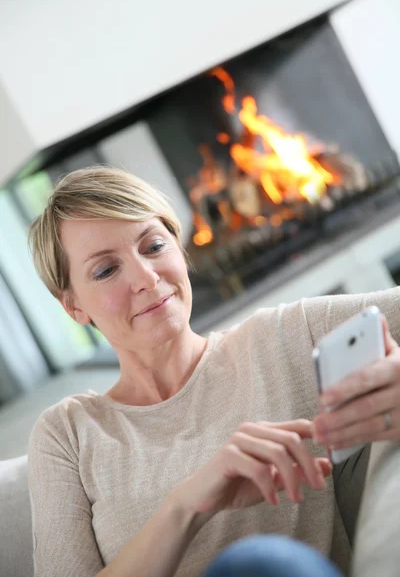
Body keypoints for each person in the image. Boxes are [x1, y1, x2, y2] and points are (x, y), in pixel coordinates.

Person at [27, 166, 400, 577]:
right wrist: (187, 505)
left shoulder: (281, 336)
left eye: (153, 246)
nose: (146, 277)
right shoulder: (67, 434)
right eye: (106, 270)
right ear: (75, 307)